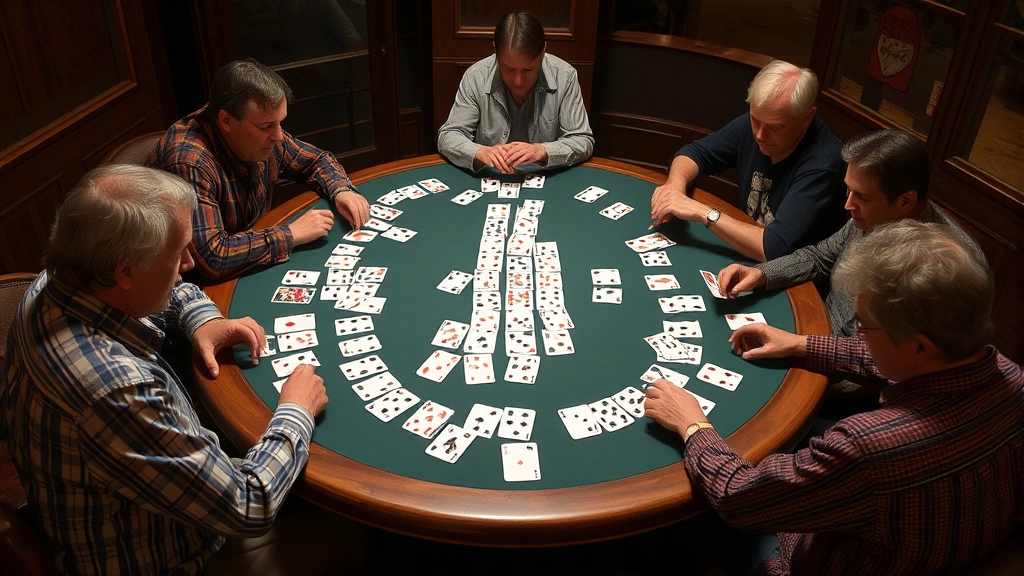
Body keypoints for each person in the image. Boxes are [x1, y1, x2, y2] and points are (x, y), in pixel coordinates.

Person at [0, 165, 349, 574]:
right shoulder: (116, 390)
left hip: (147, 507)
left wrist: (205, 319)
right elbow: (249, 505)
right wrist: (296, 411)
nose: (189, 263)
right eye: (177, 252)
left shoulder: (59, 279)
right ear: (125, 270)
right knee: (355, 535)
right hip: (177, 557)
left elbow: (177, 288)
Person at [644, 221, 1024, 575]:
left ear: (920, 346)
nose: (858, 336)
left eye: (863, 326)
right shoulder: (1010, 376)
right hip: (945, 547)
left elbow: (738, 499)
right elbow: (890, 362)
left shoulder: (866, 447)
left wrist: (692, 422)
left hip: (809, 563)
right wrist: (800, 343)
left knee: (678, 530)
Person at [716, 129, 979, 338]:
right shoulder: (869, 216)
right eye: (848, 190)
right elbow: (819, 257)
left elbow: (889, 366)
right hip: (817, 332)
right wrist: (762, 273)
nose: (848, 205)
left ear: (905, 201)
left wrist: (807, 358)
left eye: (861, 196)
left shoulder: (942, 268)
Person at [147, 58, 369, 283]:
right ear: (226, 120)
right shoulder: (190, 162)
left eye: (279, 123)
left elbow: (315, 160)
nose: (279, 136)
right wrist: (291, 234)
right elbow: (212, 258)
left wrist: (341, 190)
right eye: (267, 126)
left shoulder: (261, 135)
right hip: (190, 290)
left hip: (250, 265)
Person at [650, 60, 848, 262]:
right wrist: (675, 187)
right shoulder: (760, 122)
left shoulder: (824, 165)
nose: (760, 135)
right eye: (754, 119)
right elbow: (695, 152)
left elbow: (772, 248)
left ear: (807, 117)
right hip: (750, 253)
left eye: (776, 127)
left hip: (797, 280)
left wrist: (700, 211)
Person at [437, 11, 594, 174]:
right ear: (495, 51)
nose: (518, 81)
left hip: (545, 181)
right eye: (509, 69)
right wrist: (480, 152)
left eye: (528, 69)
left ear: (543, 51)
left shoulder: (565, 77)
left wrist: (542, 151)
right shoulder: (475, 77)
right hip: (491, 179)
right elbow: (448, 136)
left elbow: (583, 141)